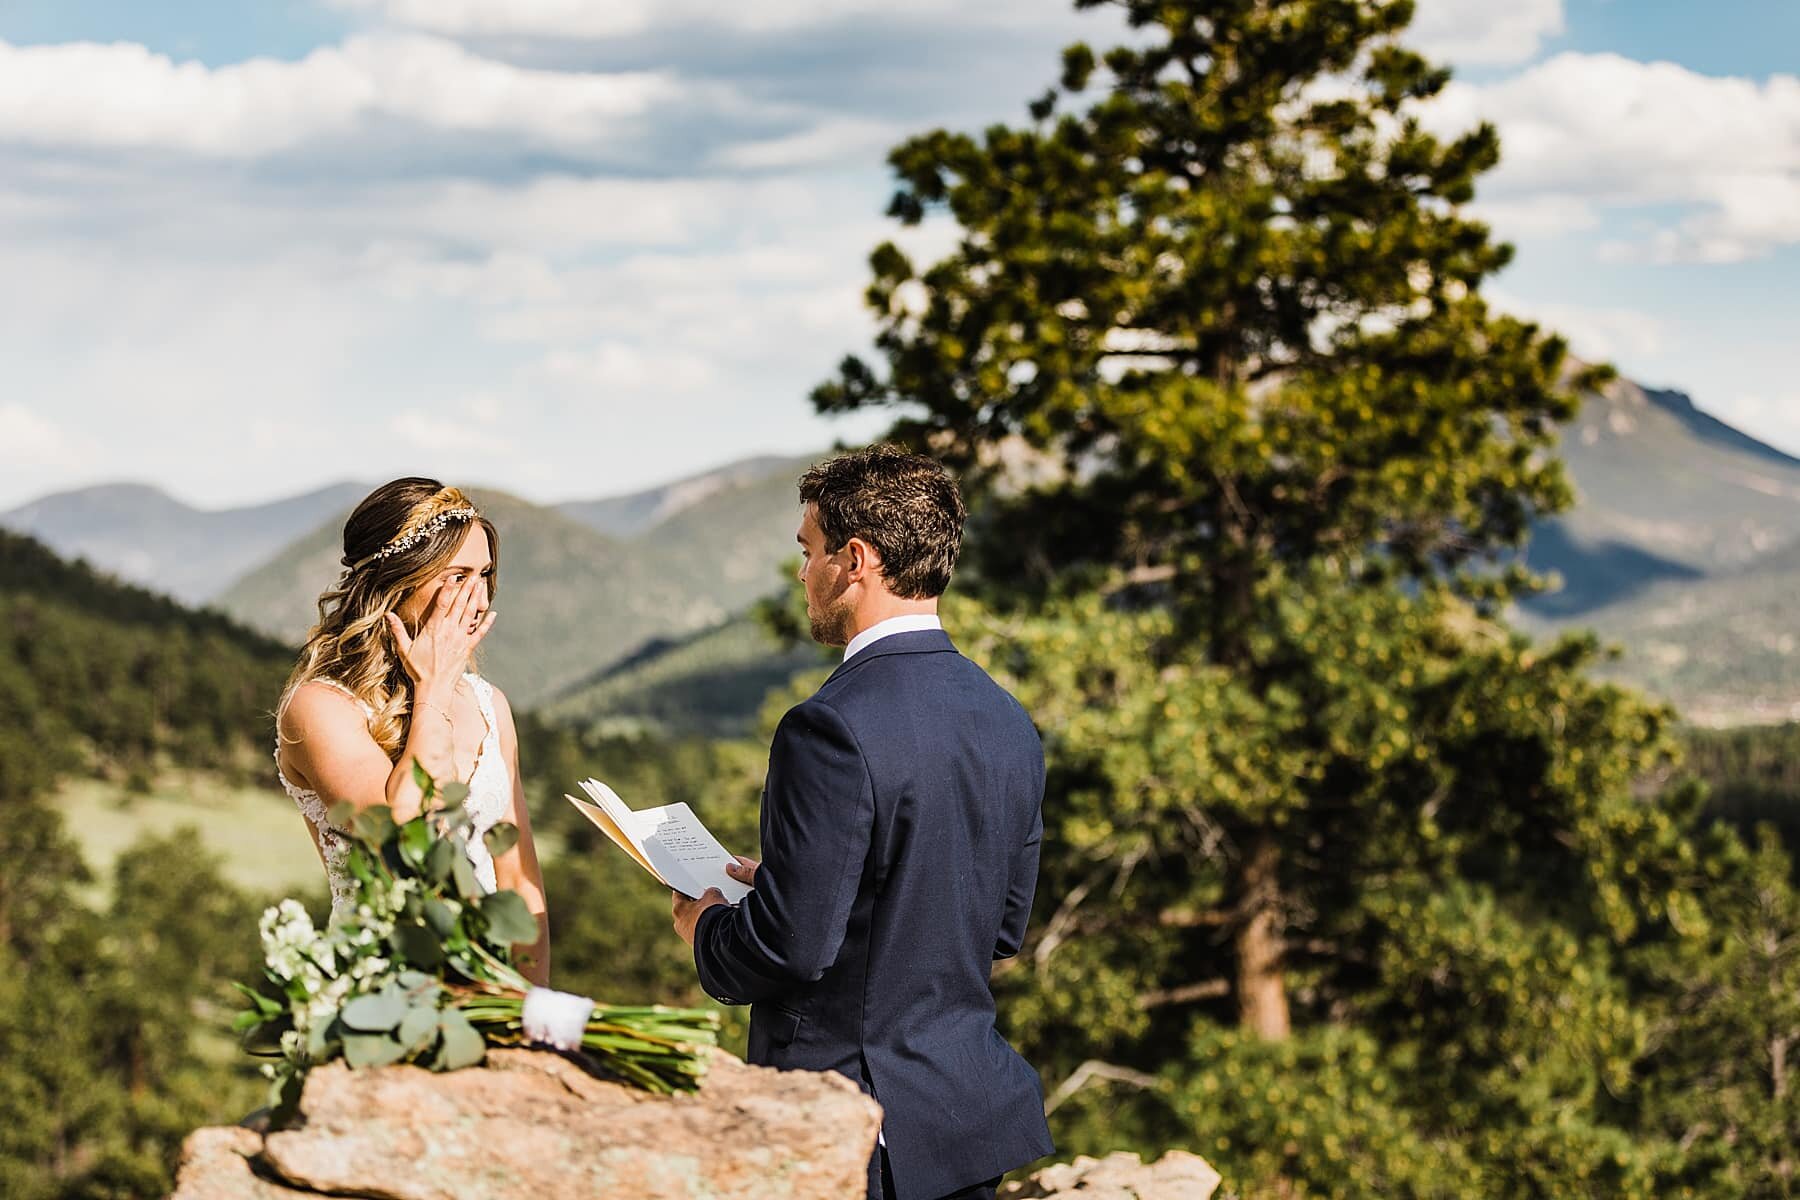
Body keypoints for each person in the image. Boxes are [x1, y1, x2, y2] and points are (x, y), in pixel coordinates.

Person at [673, 445, 1053, 1200]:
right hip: (965, 1121)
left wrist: (708, 928)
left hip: (859, 1132)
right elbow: (1000, 924)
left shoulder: (828, 726)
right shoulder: (1006, 718)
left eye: (808, 551)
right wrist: (791, 881)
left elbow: (791, 949)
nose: (802, 574)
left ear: (854, 560)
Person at [274, 478, 550, 984]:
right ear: (396, 582)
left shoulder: (491, 707)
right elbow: (406, 835)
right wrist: (434, 692)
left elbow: (519, 881)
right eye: (457, 575)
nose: (478, 595)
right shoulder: (320, 708)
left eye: (485, 574)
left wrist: (530, 1009)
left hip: (493, 993)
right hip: (379, 995)